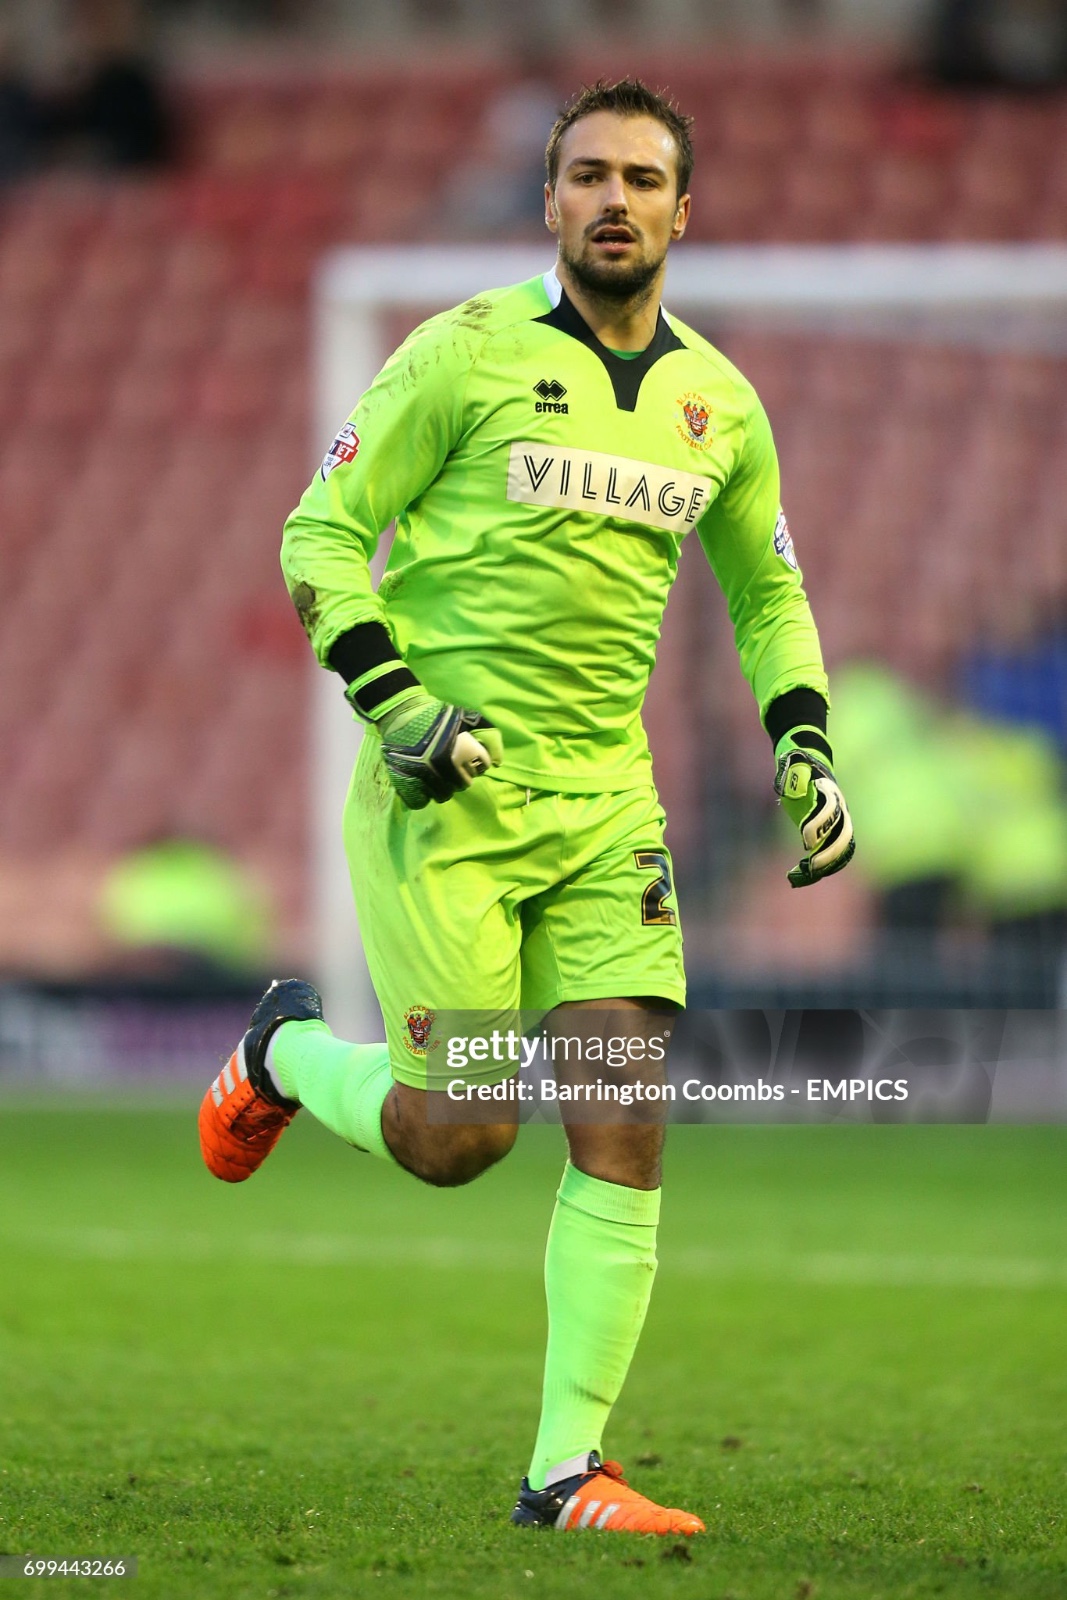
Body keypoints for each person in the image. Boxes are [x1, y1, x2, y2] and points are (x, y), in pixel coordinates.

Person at [198, 78, 854, 1537]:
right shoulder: (463, 356)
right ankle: (287, 1051)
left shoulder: (719, 406)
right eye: (588, 176)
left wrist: (806, 744)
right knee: (462, 1135)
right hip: (447, 791)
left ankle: (568, 1470)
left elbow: (770, 596)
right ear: (549, 202)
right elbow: (319, 535)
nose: (614, 199)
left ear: (686, 212)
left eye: (642, 179)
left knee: (622, 1115)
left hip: (605, 799)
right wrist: (401, 705)